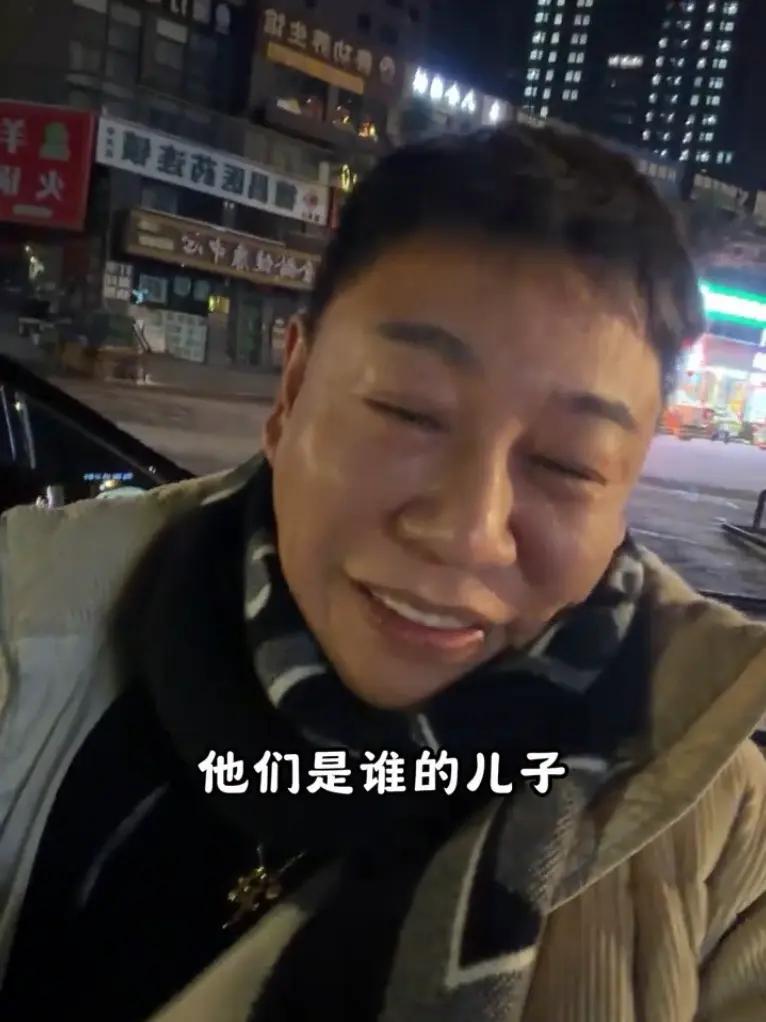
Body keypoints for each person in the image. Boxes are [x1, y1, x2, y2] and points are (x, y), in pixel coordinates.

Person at [1, 123, 765, 1022]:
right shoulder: (29, 613)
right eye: (408, 411)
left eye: (568, 464)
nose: (468, 533)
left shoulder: (727, 849)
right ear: (291, 394)